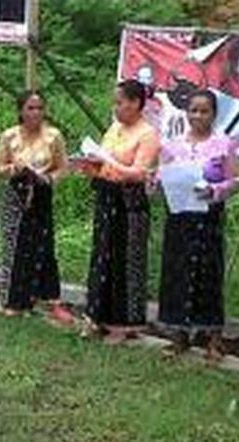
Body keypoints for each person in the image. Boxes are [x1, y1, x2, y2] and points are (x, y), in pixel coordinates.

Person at [157, 90, 239, 362]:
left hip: (208, 218)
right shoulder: (172, 145)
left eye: (204, 111)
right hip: (179, 218)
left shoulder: (224, 145)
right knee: (177, 272)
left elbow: (236, 182)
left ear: (214, 114)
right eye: (193, 110)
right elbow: (161, 177)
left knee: (209, 273)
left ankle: (213, 338)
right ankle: (179, 333)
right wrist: (155, 183)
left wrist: (215, 191)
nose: (197, 116)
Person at [76, 80, 160, 344]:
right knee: (102, 256)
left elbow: (139, 172)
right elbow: (103, 160)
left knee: (126, 261)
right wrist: (91, 165)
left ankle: (124, 324)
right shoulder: (114, 127)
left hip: (130, 205)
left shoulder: (147, 134)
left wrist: (109, 162)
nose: (116, 108)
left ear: (135, 103)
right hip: (107, 198)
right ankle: (97, 316)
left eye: (120, 102)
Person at [0, 90, 75, 325]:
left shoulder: (53, 136)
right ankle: (15, 300)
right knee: (15, 246)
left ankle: (51, 299)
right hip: (15, 196)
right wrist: (14, 169)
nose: (36, 113)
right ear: (21, 110)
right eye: (30, 108)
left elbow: (63, 167)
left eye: (40, 108)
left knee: (44, 246)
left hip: (41, 194)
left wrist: (49, 179)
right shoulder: (9, 136)